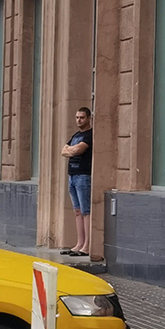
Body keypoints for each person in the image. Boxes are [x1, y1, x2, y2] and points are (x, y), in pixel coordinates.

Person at [61, 107, 93, 257]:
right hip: (72, 176)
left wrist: (70, 150)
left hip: (83, 176)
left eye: (81, 117)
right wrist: (70, 150)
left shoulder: (90, 135)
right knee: (77, 211)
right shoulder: (75, 135)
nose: (78, 120)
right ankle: (79, 243)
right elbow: (63, 151)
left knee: (86, 211)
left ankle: (87, 246)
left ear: (88, 118)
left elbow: (75, 151)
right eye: (77, 117)